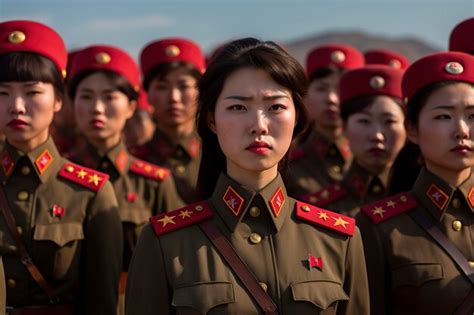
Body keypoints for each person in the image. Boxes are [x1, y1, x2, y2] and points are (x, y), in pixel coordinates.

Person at [125, 38, 369, 315]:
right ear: (211, 120)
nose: (259, 125)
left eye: (275, 107)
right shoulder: (164, 242)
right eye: (238, 107)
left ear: (298, 116)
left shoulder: (338, 240)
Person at [0, 20, 123, 314]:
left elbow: (102, 300)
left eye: (32, 93)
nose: (16, 106)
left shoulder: (89, 192)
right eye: (3, 93)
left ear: (57, 99)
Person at [67, 44, 184, 314]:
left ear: (131, 107)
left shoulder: (154, 183)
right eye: (86, 96)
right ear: (71, 103)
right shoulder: (58, 180)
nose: (97, 108)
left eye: (109, 97)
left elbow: (177, 265)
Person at [357, 51, 474, 314]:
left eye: (472, 116)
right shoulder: (382, 227)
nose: (462, 130)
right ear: (412, 130)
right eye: (443, 116)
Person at [303, 65, 406, 217]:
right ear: (344, 127)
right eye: (364, 121)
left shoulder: (425, 207)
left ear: (409, 128)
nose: (377, 135)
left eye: (389, 121)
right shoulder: (319, 210)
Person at [131, 38, 205, 203]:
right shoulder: (135, 162)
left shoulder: (221, 157)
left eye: (184, 86)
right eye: (162, 87)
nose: (173, 98)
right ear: (148, 94)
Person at [287, 44, 364, 198]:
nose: (331, 99)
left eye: (340, 89)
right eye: (321, 88)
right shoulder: (287, 166)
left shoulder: (375, 160)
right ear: (305, 96)